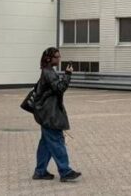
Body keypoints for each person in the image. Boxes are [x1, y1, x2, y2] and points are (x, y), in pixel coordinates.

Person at [32, 47, 82, 182]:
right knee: (57, 141)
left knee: (46, 144)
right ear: (49, 59)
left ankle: (40, 172)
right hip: (50, 114)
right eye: (57, 57)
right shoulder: (49, 72)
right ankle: (65, 171)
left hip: (47, 113)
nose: (59, 59)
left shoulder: (48, 71)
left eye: (59, 56)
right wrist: (68, 74)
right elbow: (59, 88)